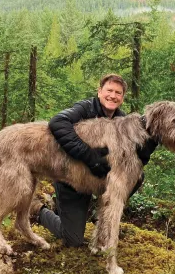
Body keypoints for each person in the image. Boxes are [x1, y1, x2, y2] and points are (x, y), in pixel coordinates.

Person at [34, 73, 157, 247]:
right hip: (71, 180)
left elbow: (130, 164)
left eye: (118, 93)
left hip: (98, 180)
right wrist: (90, 156)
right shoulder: (85, 109)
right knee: (73, 240)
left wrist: (147, 150)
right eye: (109, 90)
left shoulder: (124, 121)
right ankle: (39, 211)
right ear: (99, 92)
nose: (113, 96)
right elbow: (57, 122)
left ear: (122, 98)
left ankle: (103, 211)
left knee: (138, 177)